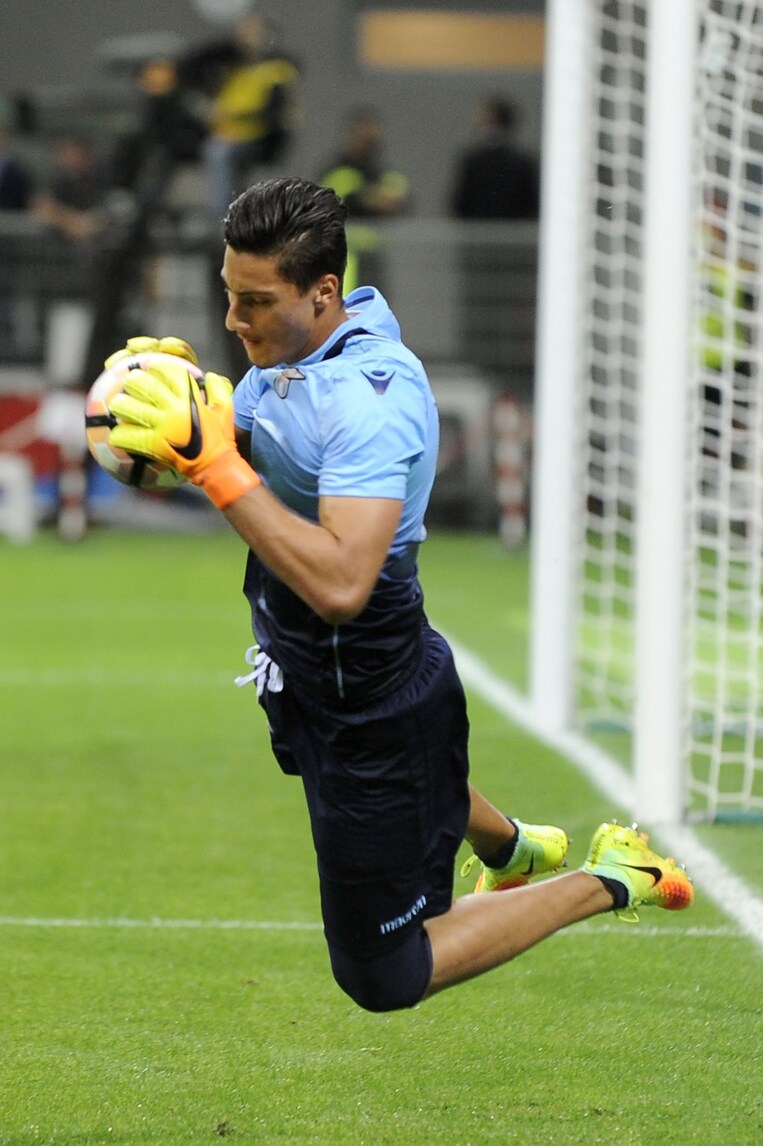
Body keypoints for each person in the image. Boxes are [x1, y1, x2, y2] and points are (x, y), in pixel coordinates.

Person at [102, 177, 694, 1013]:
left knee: (383, 974)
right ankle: (511, 847)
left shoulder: (370, 402)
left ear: (323, 292)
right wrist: (189, 402)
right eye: (229, 296)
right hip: (310, 668)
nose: (234, 321)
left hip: (366, 694)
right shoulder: (299, 350)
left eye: (255, 302)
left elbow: (343, 584)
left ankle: (614, 876)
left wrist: (214, 464)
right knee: (400, 781)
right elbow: (271, 454)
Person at [198, 13, 301, 222]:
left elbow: (274, 111)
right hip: (228, 133)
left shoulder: (277, 70)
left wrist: (236, 115)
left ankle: (223, 214)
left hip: (257, 138)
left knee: (218, 151)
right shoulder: (235, 68)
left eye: (252, 34)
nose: (245, 39)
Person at [319, 107, 409, 293]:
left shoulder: (381, 172)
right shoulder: (336, 169)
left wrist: (375, 200)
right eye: (363, 137)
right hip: (344, 254)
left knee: (374, 302)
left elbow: (401, 199)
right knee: (344, 300)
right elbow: (337, 200)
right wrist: (371, 200)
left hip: (374, 255)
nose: (368, 144)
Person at [450, 95, 539, 221]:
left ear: (493, 119)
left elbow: (461, 203)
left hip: (481, 229)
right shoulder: (523, 161)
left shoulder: (473, 161)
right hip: (511, 230)